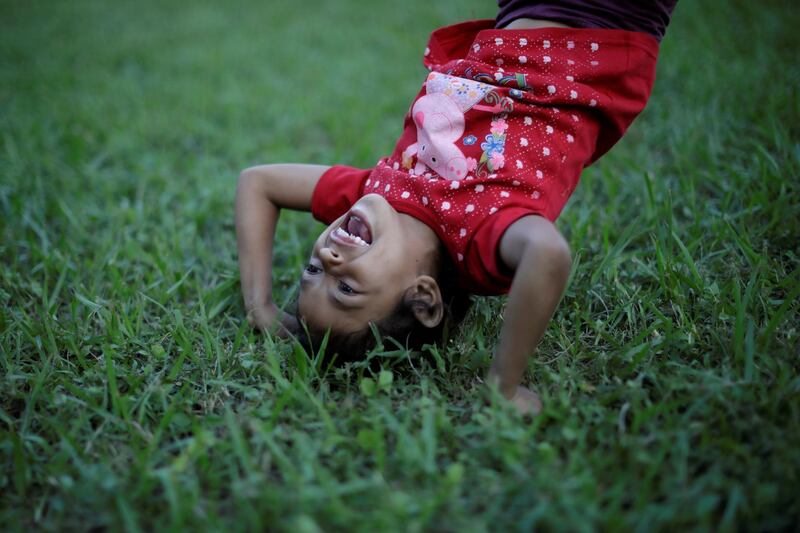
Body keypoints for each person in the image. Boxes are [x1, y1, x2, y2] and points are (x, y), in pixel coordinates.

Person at [236, 1, 677, 415]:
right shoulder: (479, 239)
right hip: (606, 23)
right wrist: (502, 384)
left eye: (313, 271)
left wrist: (262, 305)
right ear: (424, 298)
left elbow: (258, 182)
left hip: (519, 15)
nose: (328, 258)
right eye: (347, 289)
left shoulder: (376, 192)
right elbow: (547, 254)